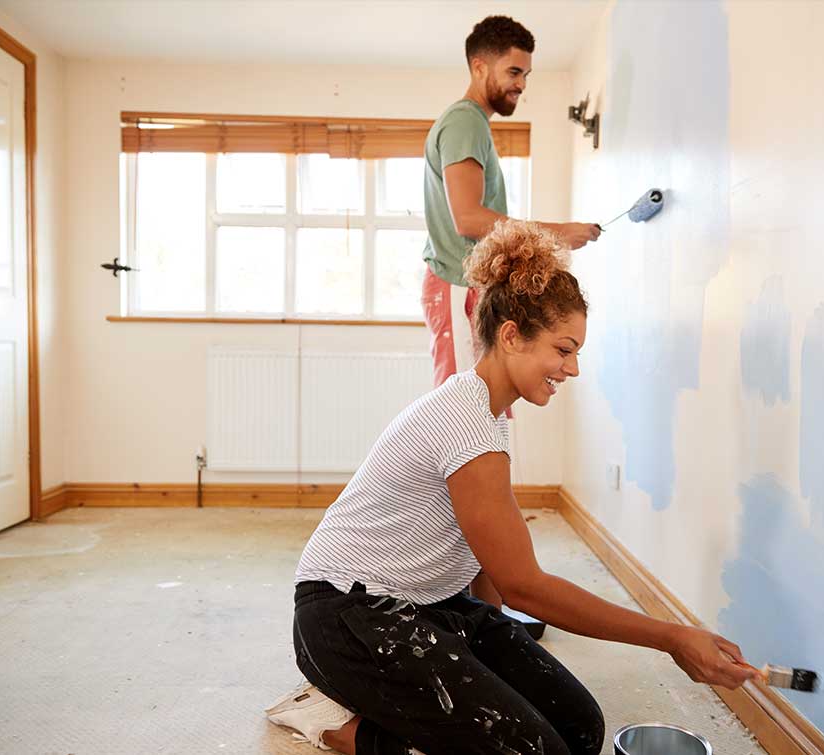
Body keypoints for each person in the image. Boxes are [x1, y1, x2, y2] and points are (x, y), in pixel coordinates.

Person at [266, 221, 760, 755]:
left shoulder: (492, 413)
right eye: (563, 349)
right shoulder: (465, 421)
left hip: (432, 604)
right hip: (346, 617)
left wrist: (490, 661)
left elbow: (485, 558)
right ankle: (332, 720)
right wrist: (672, 637)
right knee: (533, 752)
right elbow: (524, 584)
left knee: (579, 730)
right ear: (510, 336)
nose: (572, 369)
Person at [422, 15, 601, 388]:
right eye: (514, 71)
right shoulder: (464, 123)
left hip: (468, 286)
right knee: (462, 408)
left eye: (526, 75)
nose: (521, 84)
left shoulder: (472, 125)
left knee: (484, 403)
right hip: (457, 282)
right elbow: (468, 218)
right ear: (479, 66)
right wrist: (557, 234)